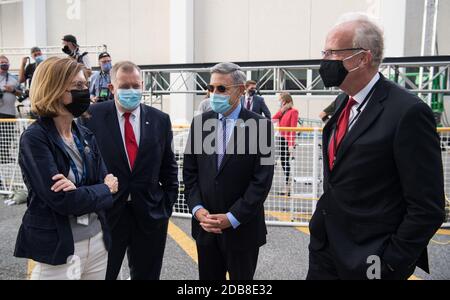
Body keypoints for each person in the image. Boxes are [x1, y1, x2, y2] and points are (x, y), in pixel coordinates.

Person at [307, 13, 446, 280]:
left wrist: (391, 263)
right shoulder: (342, 104)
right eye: (324, 52)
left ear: (363, 57)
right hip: (325, 251)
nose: (325, 60)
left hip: (372, 260)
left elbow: (427, 207)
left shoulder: (408, 112)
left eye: (333, 53)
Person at [13, 57, 119, 280]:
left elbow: (111, 187)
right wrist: (102, 190)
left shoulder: (85, 135)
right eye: (78, 86)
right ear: (54, 88)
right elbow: (63, 201)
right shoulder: (34, 139)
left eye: (85, 85)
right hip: (60, 250)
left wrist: (84, 190)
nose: (85, 91)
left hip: (98, 243)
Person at [80, 61, 179, 280]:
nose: (131, 91)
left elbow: (169, 167)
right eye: (125, 86)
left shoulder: (159, 119)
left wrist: (166, 206)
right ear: (112, 88)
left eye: (136, 85)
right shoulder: (91, 117)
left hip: (150, 215)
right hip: (107, 215)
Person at [183, 62, 275, 280]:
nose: (214, 93)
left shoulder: (261, 126)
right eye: (211, 88)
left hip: (242, 230)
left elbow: (261, 181)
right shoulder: (200, 124)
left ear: (241, 90)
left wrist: (232, 217)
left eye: (222, 89)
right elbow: (189, 173)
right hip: (206, 229)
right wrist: (197, 210)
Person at [272, 93, 299, 196]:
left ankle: (287, 187)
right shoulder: (282, 112)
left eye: (280, 99)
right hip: (279, 138)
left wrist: (291, 144)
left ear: (285, 100)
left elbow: (293, 129)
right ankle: (286, 186)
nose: (279, 102)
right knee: (278, 162)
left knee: (285, 162)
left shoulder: (293, 111)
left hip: (286, 140)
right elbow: (272, 119)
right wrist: (282, 110)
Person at [0, 55, 22, 163]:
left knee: (7, 136)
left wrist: (12, 90)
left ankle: (5, 156)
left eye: (6, 63)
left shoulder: (14, 78)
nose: (5, 64)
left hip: (9, 112)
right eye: (2, 63)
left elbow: (21, 93)